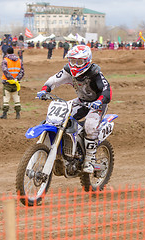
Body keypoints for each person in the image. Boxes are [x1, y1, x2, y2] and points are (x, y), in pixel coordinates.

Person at [36, 45, 112, 173]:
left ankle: (89, 160)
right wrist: (45, 90)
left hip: (97, 104)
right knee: (59, 119)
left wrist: (99, 101)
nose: (75, 65)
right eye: (72, 61)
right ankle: (65, 149)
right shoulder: (68, 71)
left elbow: (107, 91)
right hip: (81, 101)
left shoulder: (95, 73)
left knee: (90, 126)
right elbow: (54, 80)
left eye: (79, 62)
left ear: (87, 61)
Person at [0, 47, 24, 120]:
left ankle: (4, 114)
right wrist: (16, 79)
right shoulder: (19, 60)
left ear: (7, 52)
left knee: (6, 98)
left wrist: (11, 78)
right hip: (16, 83)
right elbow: (22, 71)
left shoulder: (5, 60)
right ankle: (18, 114)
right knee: (16, 98)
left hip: (7, 82)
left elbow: (5, 71)